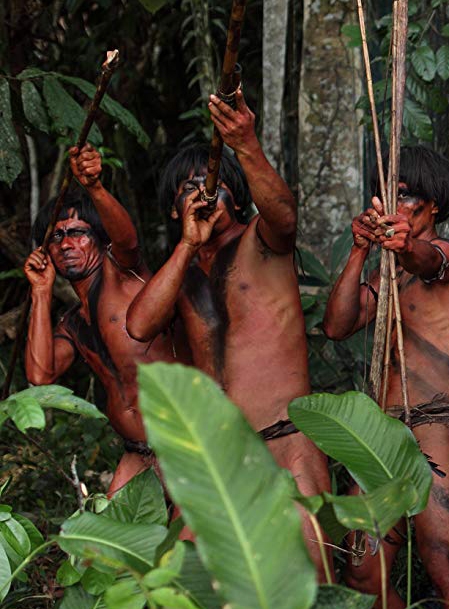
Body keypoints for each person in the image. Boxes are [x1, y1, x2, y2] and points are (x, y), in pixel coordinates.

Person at [125, 89, 331, 577]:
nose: (203, 190)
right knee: (191, 584)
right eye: (188, 188)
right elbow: (139, 325)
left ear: (235, 195)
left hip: (286, 440)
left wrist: (246, 144)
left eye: (212, 182)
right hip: (219, 458)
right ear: (175, 210)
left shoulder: (263, 242)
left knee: (314, 581)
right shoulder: (180, 272)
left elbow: (285, 215)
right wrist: (185, 247)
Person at [323, 145, 449, 608]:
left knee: (446, 567)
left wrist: (405, 245)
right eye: (385, 195)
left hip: (433, 424)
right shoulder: (385, 276)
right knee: (363, 573)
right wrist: (358, 250)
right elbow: (336, 326)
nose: (394, 205)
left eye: (406, 196)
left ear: (433, 205)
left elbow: (427, 260)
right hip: (381, 431)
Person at [24, 145, 190, 495]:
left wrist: (95, 187)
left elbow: (127, 240)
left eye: (77, 232)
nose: (66, 243)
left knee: (192, 544)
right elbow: (41, 375)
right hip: (138, 454)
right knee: (103, 547)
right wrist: (40, 292)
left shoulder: (126, 275)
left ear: (98, 240)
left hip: (186, 442)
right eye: (56, 236)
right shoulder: (73, 323)